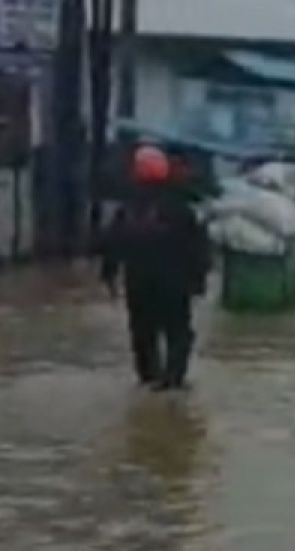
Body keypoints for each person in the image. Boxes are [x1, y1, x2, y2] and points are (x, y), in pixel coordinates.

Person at [101, 145, 210, 391]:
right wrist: (199, 280)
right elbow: (198, 248)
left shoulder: (127, 209)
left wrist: (109, 276)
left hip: (138, 284)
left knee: (143, 333)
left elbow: (111, 246)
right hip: (174, 284)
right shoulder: (182, 207)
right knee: (178, 334)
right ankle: (173, 381)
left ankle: (149, 379)